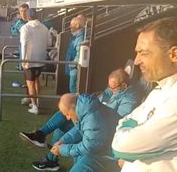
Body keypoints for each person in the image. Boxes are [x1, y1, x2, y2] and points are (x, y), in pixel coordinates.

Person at [20, 68, 140, 170]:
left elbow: (115, 122)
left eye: (113, 87)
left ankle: (47, 148)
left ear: (123, 86)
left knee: (79, 151)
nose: (110, 89)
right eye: (109, 86)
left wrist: (63, 149)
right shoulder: (93, 106)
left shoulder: (130, 100)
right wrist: (63, 142)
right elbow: (80, 127)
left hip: (108, 143)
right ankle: (46, 145)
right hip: (96, 128)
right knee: (61, 130)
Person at [112, 17, 177, 172]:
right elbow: (125, 121)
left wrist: (130, 133)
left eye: (143, 53)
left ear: (174, 54)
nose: (136, 61)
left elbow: (122, 147)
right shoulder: (160, 89)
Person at [33, 93, 119, 172]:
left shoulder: (92, 119)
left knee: (80, 163)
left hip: (111, 154)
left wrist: (62, 149)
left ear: (73, 107)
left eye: (67, 114)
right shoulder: (85, 108)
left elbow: (88, 148)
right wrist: (63, 140)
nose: (67, 118)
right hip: (104, 146)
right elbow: (79, 129)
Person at [19, 9, 50, 114]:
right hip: (41, 58)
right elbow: (49, 42)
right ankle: (36, 102)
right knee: (36, 80)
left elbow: (24, 44)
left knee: (30, 83)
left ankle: (35, 106)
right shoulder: (45, 28)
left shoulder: (25, 27)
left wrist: (23, 60)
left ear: (28, 17)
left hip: (29, 59)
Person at [65, 16, 85, 93]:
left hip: (74, 67)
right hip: (73, 66)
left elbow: (79, 53)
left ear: (77, 25)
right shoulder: (75, 37)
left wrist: (72, 64)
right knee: (72, 87)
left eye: (72, 25)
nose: (70, 27)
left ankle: (74, 103)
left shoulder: (79, 38)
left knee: (73, 88)